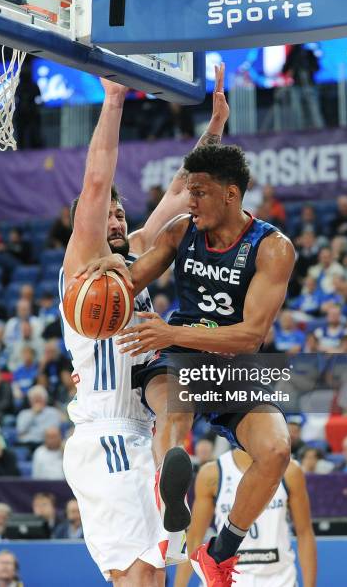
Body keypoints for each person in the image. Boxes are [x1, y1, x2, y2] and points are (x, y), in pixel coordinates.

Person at [81, 137, 297, 583]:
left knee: (276, 451)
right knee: (174, 416)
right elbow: (133, 277)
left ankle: (219, 552)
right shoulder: (181, 230)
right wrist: (104, 272)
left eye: (198, 191)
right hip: (177, 356)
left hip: (230, 359)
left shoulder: (272, 248)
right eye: (190, 191)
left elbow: (251, 336)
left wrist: (171, 331)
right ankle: (171, 522)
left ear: (230, 194)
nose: (190, 199)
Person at [60, 68, 230, 586]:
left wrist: (217, 122)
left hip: (139, 432)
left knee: (150, 578)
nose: (114, 220)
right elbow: (96, 177)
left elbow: (184, 189)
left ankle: (170, 489)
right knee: (136, 579)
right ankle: (169, 492)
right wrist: (113, 100)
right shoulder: (83, 264)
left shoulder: (134, 253)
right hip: (106, 435)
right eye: (105, 215)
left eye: (119, 213)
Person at [174, 449, 317, 587]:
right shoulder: (213, 473)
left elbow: (304, 533)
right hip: (226, 577)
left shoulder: (290, 471)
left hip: (279, 578)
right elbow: (194, 538)